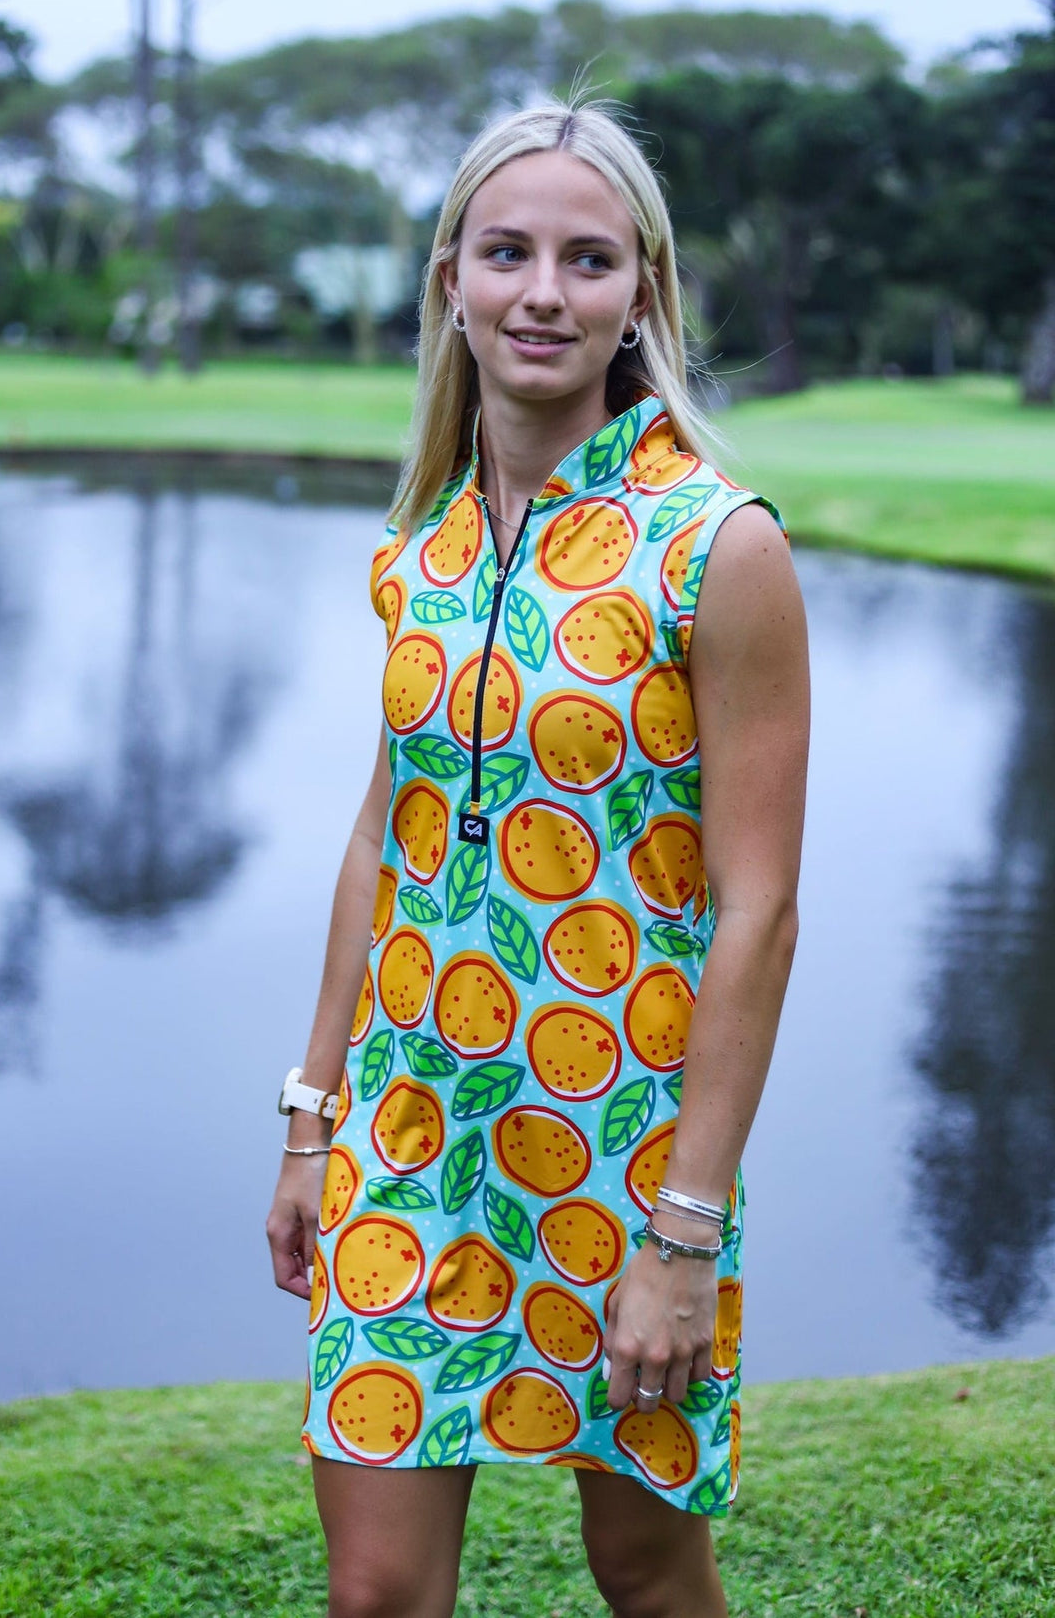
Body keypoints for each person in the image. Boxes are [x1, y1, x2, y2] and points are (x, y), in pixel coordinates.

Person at [266, 98, 809, 1618]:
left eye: (588, 258)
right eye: (507, 253)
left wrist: (684, 1232)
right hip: (412, 1137)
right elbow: (387, 834)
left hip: (625, 1153)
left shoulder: (717, 545)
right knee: (375, 1594)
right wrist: (315, 1116)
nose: (543, 293)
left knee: (644, 1573)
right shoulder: (422, 549)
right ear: (451, 275)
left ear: (643, 289)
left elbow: (758, 910)